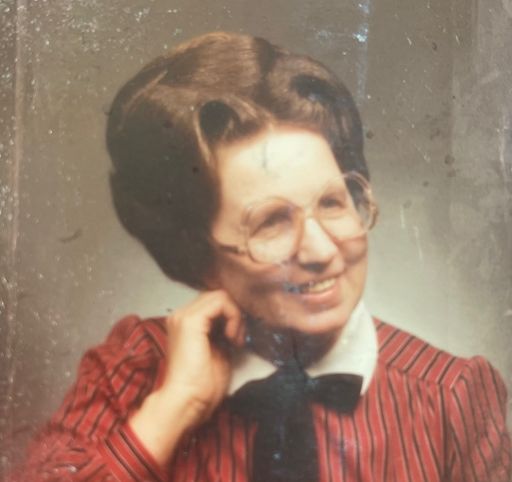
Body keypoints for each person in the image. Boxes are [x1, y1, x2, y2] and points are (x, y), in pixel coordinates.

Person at [11, 32, 511, 482]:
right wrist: (173, 408)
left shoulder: (452, 395)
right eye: (271, 222)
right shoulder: (133, 371)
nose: (321, 251)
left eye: (332, 202)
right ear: (198, 257)